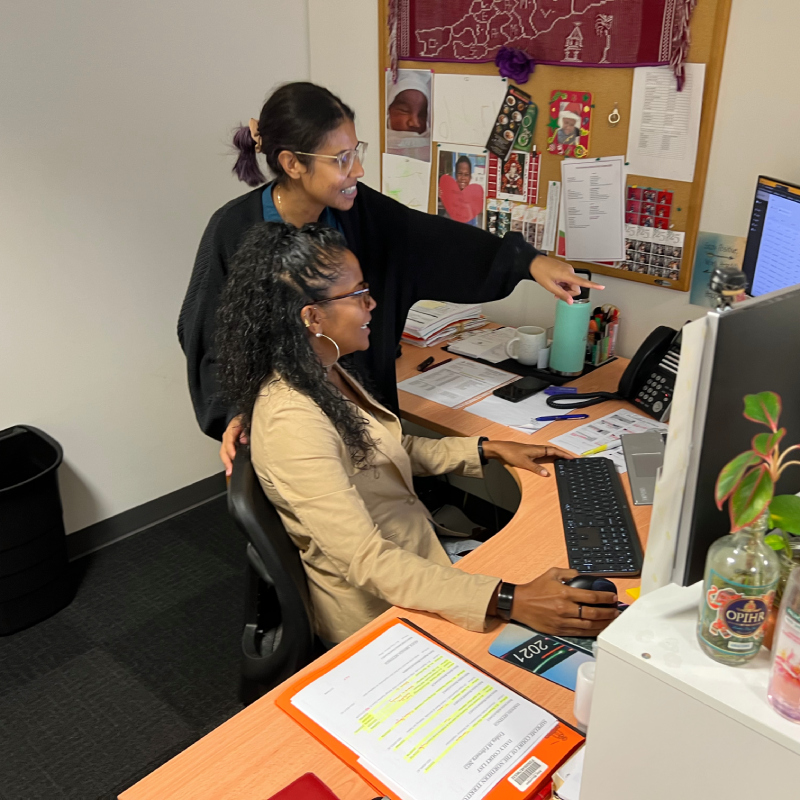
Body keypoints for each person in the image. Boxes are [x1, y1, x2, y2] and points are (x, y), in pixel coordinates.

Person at [215, 221, 619, 644]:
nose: (372, 303)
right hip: (381, 608)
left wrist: (486, 449)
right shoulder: (292, 420)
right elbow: (366, 560)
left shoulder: (320, 370)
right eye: (357, 295)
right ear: (312, 317)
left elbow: (382, 448)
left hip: (420, 554)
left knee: (563, 583)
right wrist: (510, 600)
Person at [178, 82, 602, 473]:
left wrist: (525, 262)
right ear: (292, 163)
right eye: (341, 159)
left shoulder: (362, 213)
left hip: (358, 403)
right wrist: (235, 410)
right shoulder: (233, 230)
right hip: (284, 423)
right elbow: (209, 336)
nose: (358, 169)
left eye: (355, 151)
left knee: (386, 502)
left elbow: (434, 242)